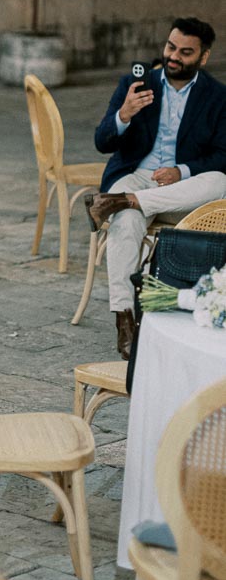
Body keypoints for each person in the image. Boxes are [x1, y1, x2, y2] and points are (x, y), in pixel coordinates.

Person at [87, 18, 226, 358]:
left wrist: (181, 171)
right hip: (136, 174)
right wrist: (123, 114)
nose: (174, 56)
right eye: (170, 47)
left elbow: (223, 155)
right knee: (126, 221)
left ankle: (122, 201)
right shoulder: (136, 83)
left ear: (203, 57)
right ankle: (125, 317)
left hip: (182, 189)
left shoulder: (217, 96)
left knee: (220, 182)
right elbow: (102, 142)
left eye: (185, 52)